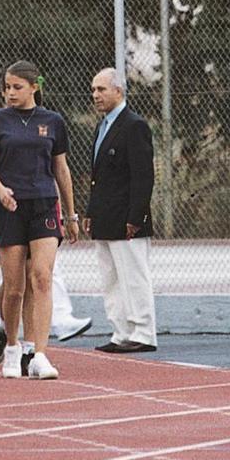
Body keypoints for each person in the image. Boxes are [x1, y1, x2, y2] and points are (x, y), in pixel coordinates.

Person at [0, 60, 78, 379]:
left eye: (17, 87)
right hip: (10, 207)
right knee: (15, 288)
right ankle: (11, 346)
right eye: (6, 87)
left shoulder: (53, 121)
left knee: (42, 277)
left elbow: (61, 169)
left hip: (45, 205)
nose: (10, 93)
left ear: (34, 87)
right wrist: (0, 191)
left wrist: (72, 213)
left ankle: (39, 353)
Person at [85, 68, 157, 354]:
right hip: (105, 217)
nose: (96, 95)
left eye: (101, 89)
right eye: (93, 90)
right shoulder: (102, 127)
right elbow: (98, 177)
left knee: (134, 275)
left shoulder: (133, 125)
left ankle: (143, 331)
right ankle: (121, 331)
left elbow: (143, 176)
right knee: (111, 277)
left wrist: (135, 218)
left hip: (127, 219)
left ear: (118, 90)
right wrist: (91, 211)